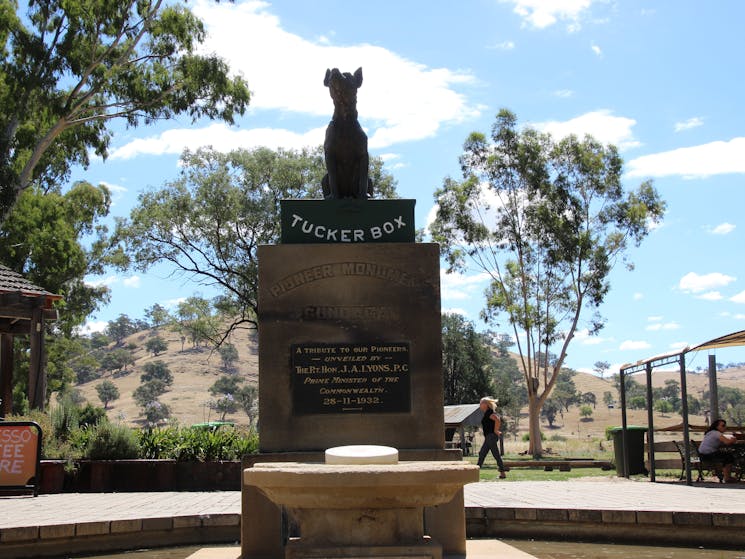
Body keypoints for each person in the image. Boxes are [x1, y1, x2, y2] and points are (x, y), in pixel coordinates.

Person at [698, 418, 738, 483]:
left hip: (701, 455)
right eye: (723, 425)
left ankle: (727, 476)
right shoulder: (716, 433)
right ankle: (727, 478)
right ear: (716, 426)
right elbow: (727, 442)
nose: (725, 427)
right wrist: (733, 439)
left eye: (725, 425)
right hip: (708, 455)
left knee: (727, 455)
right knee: (729, 457)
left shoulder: (710, 433)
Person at [476, 397, 506, 478]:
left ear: (486, 404)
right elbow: (497, 419)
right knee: (482, 453)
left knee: (494, 455)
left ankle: (502, 473)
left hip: (491, 436)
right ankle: (475, 473)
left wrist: (496, 430)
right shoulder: (487, 413)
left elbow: (497, 419)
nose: (480, 405)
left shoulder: (489, 412)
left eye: (481, 403)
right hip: (489, 437)